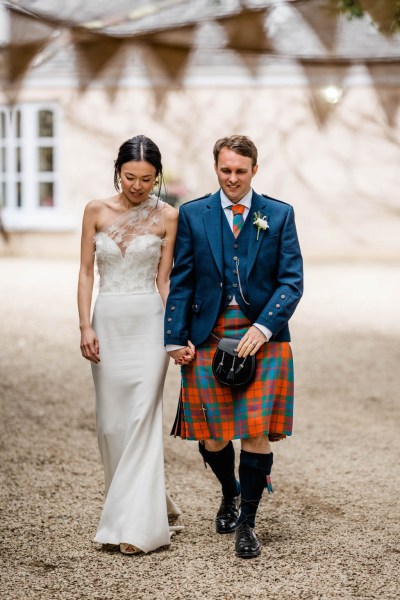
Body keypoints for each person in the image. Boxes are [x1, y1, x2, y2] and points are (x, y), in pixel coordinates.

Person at [165, 135, 303, 559]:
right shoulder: (193, 214)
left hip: (262, 336)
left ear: (254, 171)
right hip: (208, 334)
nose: (232, 178)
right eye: (226, 170)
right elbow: (182, 278)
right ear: (216, 168)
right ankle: (230, 491)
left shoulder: (278, 215)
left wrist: (264, 327)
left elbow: (291, 280)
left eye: (241, 171)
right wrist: (174, 335)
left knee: (256, 432)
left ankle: (248, 522)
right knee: (212, 436)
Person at [78, 134, 181, 555]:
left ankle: (138, 526)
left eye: (146, 179)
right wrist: (85, 326)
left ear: (157, 177)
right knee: (110, 425)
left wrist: (175, 336)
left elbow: (165, 281)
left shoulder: (169, 217)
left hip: (149, 327)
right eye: (129, 177)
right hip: (107, 320)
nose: (137, 186)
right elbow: (86, 273)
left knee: (141, 421)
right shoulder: (95, 210)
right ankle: (145, 503)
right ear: (117, 171)